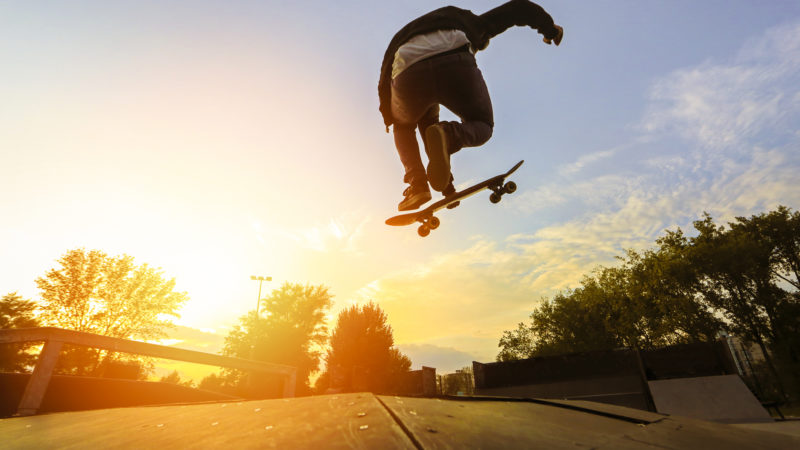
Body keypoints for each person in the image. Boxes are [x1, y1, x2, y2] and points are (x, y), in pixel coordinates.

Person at [379, 0, 563, 211]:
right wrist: (550, 30)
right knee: (481, 124)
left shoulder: (402, 38)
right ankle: (450, 135)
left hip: (407, 71)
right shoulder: (470, 23)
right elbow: (519, 9)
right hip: (455, 57)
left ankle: (417, 185)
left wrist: (389, 115)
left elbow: (385, 77)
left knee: (404, 126)